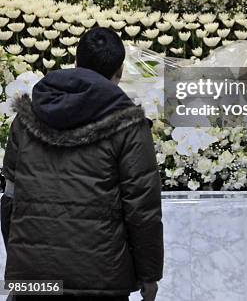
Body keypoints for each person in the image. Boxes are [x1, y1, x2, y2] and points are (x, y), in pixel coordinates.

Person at [1, 27, 163, 300]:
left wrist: (24, 262)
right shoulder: (129, 127)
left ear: (76, 62)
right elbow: (142, 210)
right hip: (101, 281)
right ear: (120, 71)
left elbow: (9, 198)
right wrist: (149, 276)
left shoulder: (26, 119)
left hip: (34, 279)